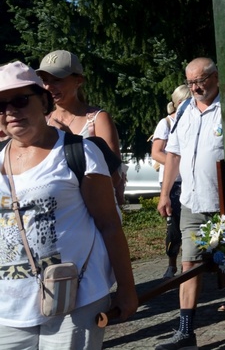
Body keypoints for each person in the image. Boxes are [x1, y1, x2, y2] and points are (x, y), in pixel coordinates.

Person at [0, 61, 137, 348]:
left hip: (77, 298)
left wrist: (127, 288)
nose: (10, 111)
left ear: (44, 101)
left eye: (20, 100)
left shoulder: (78, 152)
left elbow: (109, 224)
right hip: (9, 310)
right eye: (0, 106)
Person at [156, 58, 225, 348]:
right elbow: (172, 155)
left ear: (216, 77)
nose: (196, 87)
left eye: (201, 80)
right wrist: (164, 194)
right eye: (190, 83)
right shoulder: (185, 109)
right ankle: (186, 331)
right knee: (189, 263)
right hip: (192, 202)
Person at [36, 50, 126, 205]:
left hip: (95, 211)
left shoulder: (97, 119)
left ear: (78, 80)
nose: (49, 87)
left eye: (57, 80)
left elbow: (114, 176)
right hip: (61, 211)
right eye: (45, 80)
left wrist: (70, 140)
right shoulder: (43, 122)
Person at [151, 85, 192, 279]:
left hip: (191, 180)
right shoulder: (166, 123)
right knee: (174, 224)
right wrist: (178, 163)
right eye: (184, 101)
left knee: (191, 223)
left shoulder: (194, 119)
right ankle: (171, 263)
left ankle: (192, 262)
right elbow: (156, 152)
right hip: (173, 182)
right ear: (176, 104)